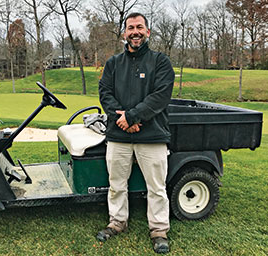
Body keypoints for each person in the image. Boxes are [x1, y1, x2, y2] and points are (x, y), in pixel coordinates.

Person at [96, 12, 175, 254]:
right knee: (116, 184)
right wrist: (123, 119)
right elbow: (105, 93)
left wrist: (131, 117)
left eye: (140, 27)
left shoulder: (160, 62)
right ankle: (117, 222)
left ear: (148, 32)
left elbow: (159, 97)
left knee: (157, 188)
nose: (135, 32)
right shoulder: (113, 63)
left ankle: (159, 230)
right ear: (124, 33)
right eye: (130, 28)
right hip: (119, 137)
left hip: (152, 136)